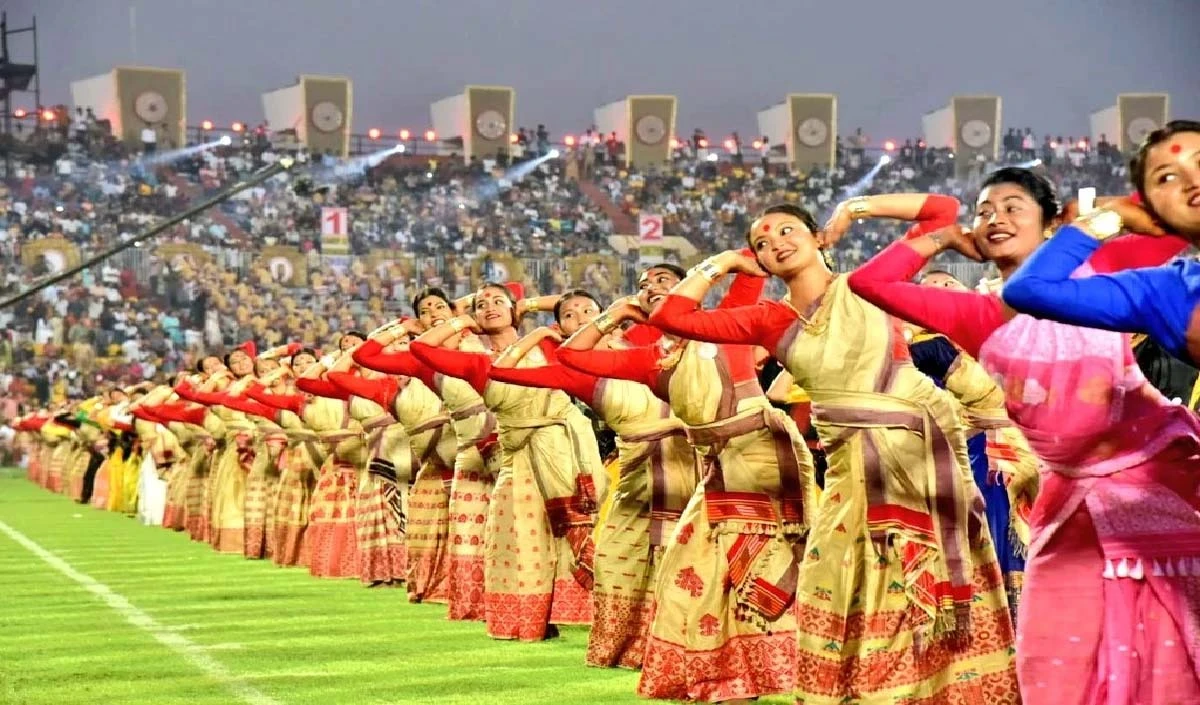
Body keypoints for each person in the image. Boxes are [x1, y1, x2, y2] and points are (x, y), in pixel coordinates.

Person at [845, 169, 1200, 702]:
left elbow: (1176, 228)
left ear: (1051, 222)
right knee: (1060, 645)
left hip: (1156, 473)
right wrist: (941, 235)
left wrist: (1114, 214)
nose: (995, 219)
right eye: (985, 210)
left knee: (1175, 628)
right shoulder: (978, 313)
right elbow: (867, 284)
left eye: (1013, 207)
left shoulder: (1096, 273)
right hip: (1072, 498)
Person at [646, 202, 1017, 703]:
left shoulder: (867, 285)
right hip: (850, 474)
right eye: (761, 242)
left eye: (787, 229)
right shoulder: (767, 319)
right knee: (842, 581)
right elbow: (671, 315)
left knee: (918, 581)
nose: (775, 241)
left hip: (921, 461)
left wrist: (853, 210)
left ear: (818, 237)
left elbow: (941, 212)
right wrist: (723, 264)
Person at [558, 265, 816, 703]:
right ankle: (727, 675)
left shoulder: (726, 329)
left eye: (665, 282)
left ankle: (798, 670)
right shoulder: (649, 360)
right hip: (717, 469)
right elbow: (571, 357)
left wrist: (723, 265)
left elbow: (748, 275)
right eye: (643, 286)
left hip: (765, 459)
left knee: (764, 570)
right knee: (688, 573)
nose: (653, 289)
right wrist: (614, 314)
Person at [487, 288, 699, 669]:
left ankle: (687, 645)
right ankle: (629, 645)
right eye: (570, 315)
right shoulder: (582, 371)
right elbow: (501, 371)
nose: (581, 316)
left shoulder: (675, 348)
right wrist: (547, 328)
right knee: (619, 562)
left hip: (697, 469)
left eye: (589, 310)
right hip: (636, 473)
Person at [410, 282, 601, 642]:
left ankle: (581, 611)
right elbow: (420, 347)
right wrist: (462, 320)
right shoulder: (476, 357)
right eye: (482, 304)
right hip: (515, 454)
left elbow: (584, 311)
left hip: (564, 447)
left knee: (572, 529)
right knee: (517, 534)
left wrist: (529, 308)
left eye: (500, 302)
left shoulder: (549, 342)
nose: (490, 307)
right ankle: (529, 619)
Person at [1003, 120, 1200, 366]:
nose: (1193, 181)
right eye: (1166, 177)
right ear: (1151, 209)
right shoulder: (1162, 291)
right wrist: (1111, 215)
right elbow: (1028, 289)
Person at [354, 287, 497, 620]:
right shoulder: (421, 359)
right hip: (465, 445)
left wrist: (466, 311)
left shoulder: (485, 338)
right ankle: (472, 597)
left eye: (439, 306)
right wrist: (404, 327)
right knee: (472, 527)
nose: (434, 312)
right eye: (426, 310)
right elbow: (364, 356)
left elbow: (515, 297)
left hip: (508, 431)